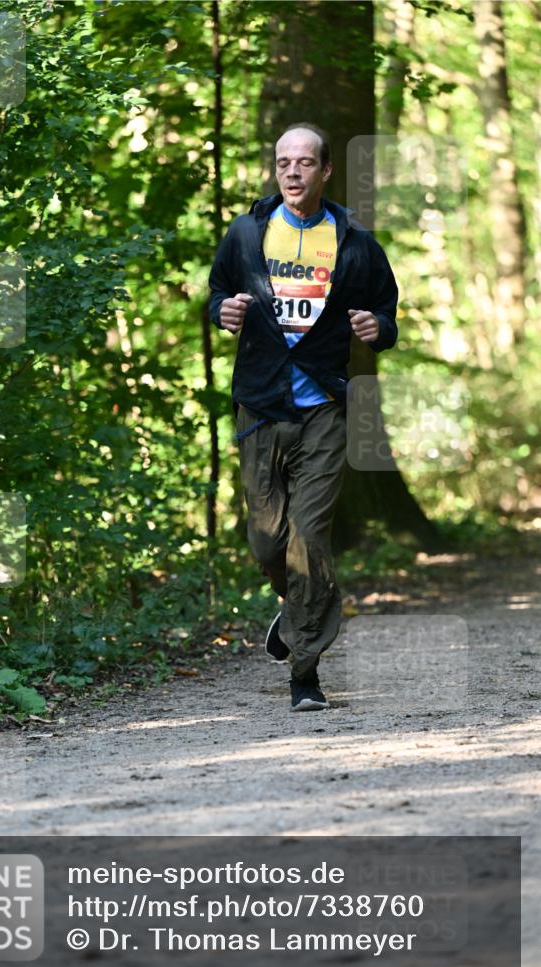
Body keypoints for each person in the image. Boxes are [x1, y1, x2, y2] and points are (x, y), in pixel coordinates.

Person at [208, 123, 398, 712]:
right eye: (283, 162)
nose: (293, 171)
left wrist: (378, 329)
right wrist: (225, 309)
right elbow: (216, 292)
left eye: (305, 162)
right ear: (276, 168)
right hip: (261, 402)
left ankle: (305, 673)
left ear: (324, 172)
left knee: (309, 538)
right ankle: (296, 611)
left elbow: (387, 311)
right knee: (268, 543)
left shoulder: (355, 242)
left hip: (323, 405)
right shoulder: (246, 233)